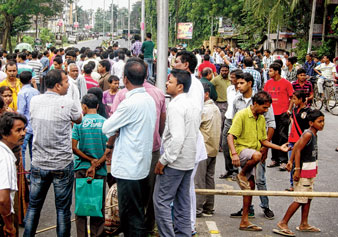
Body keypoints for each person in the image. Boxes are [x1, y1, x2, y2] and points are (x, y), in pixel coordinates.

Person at [24, 70, 82, 236]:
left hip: (38, 163)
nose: (68, 84)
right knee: (63, 210)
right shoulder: (68, 103)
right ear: (57, 86)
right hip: (62, 164)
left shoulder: (35, 100)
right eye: (65, 82)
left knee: (34, 207)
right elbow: (79, 119)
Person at [102, 60, 156, 237]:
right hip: (140, 165)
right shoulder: (148, 99)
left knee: (131, 217)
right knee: (136, 212)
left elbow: (107, 128)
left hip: (129, 168)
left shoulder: (129, 103)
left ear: (125, 79)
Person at [227, 91, 289, 231]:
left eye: (268, 108)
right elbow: (230, 136)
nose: (266, 111)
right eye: (265, 108)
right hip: (242, 151)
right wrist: (235, 154)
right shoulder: (242, 114)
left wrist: (279, 147)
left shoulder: (261, 119)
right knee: (257, 155)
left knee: (250, 187)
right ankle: (241, 174)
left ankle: (244, 220)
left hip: (252, 153)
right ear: (255, 104)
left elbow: (263, 140)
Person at [153, 69, 200, 236]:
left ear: (179, 86)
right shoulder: (192, 104)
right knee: (182, 202)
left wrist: (164, 160)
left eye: (170, 82)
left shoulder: (176, 106)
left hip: (175, 161)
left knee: (161, 202)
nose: (166, 84)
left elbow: (177, 138)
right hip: (187, 161)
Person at [228, 73, 276, 220]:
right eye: (237, 83)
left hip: (259, 148)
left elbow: (271, 125)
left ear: (249, 83)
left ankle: (265, 206)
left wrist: (266, 148)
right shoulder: (237, 101)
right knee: (248, 182)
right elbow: (233, 128)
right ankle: (247, 210)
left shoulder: (263, 101)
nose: (238, 86)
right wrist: (234, 152)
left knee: (260, 179)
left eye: (241, 83)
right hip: (244, 149)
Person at [274, 109, 324, 236]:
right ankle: (283, 222)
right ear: (311, 123)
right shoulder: (308, 134)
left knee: (308, 198)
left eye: (323, 121)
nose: (322, 124)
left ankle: (304, 223)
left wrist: (290, 161)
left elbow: (296, 145)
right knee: (300, 199)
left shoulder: (313, 134)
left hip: (310, 171)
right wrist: (296, 169)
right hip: (303, 172)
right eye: (320, 121)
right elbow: (297, 150)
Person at [72, 94, 107, 237]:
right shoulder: (105, 122)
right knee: (97, 206)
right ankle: (97, 234)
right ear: (97, 106)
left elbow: (74, 148)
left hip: (81, 168)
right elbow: (109, 148)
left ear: (84, 106)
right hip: (100, 169)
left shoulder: (79, 123)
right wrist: (97, 162)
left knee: (81, 206)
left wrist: (89, 160)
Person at [195, 83, 221, 218]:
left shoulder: (204, 110)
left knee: (199, 180)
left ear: (206, 94)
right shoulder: (215, 108)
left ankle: (198, 209)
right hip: (213, 148)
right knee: (209, 179)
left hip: (203, 149)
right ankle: (209, 207)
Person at [0, 112, 27, 237]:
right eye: (18, 130)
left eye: (24, 129)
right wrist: (9, 225)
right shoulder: (4, 157)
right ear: (5, 133)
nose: (23, 133)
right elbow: (3, 198)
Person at [264, 63, 293, 170]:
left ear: (277, 71)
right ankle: (274, 159)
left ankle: (284, 160)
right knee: (273, 136)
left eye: (271, 71)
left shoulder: (286, 83)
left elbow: (292, 97)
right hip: (271, 114)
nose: (269, 72)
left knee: (283, 136)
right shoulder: (268, 83)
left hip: (283, 114)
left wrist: (288, 111)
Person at [285, 91, 310, 192]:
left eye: (295, 99)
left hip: (301, 140)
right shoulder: (294, 110)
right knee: (292, 163)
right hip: (292, 139)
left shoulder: (307, 112)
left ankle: (301, 183)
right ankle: (293, 183)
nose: (293, 101)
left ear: (301, 99)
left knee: (301, 162)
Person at [219, 69, 241, 180]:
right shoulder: (229, 89)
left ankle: (235, 171)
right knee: (225, 145)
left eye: (233, 77)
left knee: (235, 146)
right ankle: (229, 169)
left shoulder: (243, 91)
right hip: (229, 118)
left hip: (238, 120)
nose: (231, 79)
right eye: (230, 77)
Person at [17, 71, 40, 172]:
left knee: (22, 150)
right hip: (35, 125)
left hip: (26, 126)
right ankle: (33, 172)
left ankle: (23, 173)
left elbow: (21, 111)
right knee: (33, 151)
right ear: (31, 79)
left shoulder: (22, 93)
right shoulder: (36, 92)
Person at [210, 64, 231, 149]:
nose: (224, 72)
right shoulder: (216, 80)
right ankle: (219, 145)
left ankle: (226, 144)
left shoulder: (231, 79)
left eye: (226, 70)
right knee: (220, 125)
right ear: (220, 71)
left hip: (229, 104)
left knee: (228, 125)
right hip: (220, 104)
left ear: (228, 71)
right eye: (222, 70)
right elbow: (210, 87)